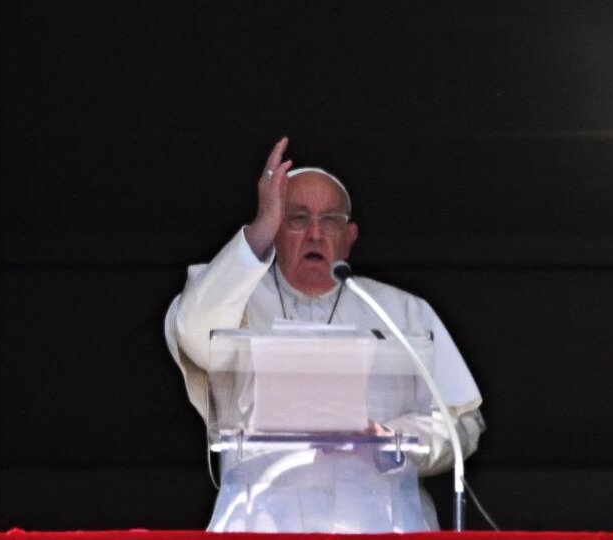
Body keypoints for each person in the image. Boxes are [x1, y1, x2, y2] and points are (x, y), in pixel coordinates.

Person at [164, 137, 484, 533]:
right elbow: (194, 334)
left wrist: (395, 438)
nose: (315, 234)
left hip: (382, 521)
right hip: (262, 519)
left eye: (330, 220)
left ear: (349, 237)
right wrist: (260, 227)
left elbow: (462, 424)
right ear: (276, 229)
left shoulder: (403, 311)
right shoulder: (236, 297)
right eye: (296, 218)